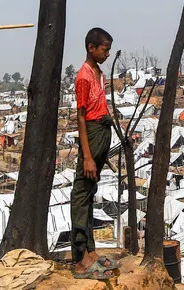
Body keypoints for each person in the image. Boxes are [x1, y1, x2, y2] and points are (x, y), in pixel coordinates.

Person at [70, 28, 116, 280]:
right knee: (80, 194)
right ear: (91, 48)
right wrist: (87, 155)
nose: (107, 54)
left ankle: (90, 250)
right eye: (104, 49)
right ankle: (80, 259)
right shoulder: (84, 77)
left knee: (88, 192)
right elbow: (81, 116)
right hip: (93, 132)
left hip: (102, 133)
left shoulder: (99, 73)